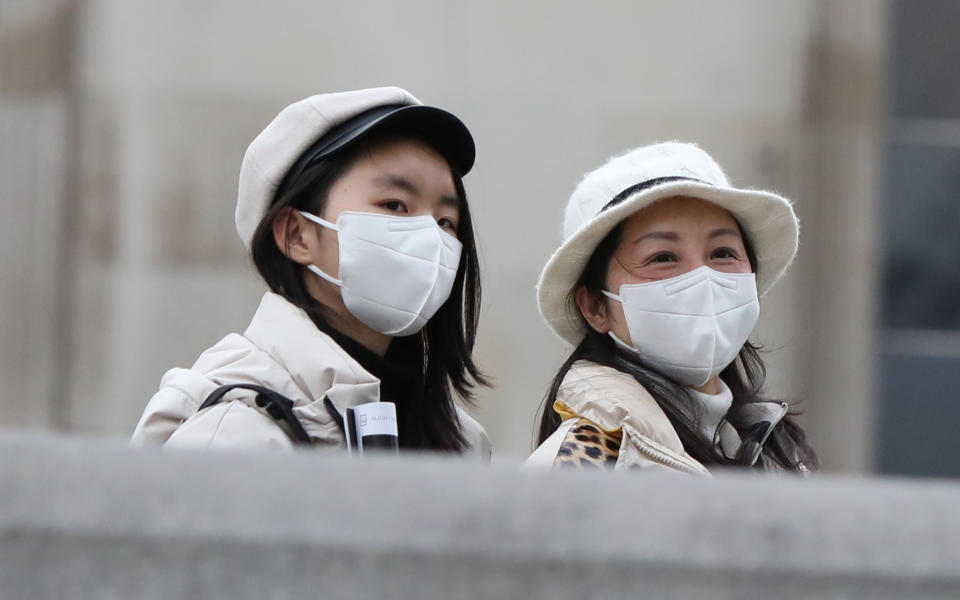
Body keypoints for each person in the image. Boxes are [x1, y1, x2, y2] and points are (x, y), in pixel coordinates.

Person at [131, 87, 490, 458]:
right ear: (296, 234)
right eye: (395, 205)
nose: (429, 237)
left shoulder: (462, 443)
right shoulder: (233, 435)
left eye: (446, 221)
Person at [527, 141, 817, 473]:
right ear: (595, 306)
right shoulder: (575, 470)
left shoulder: (776, 457)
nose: (701, 277)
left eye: (722, 253)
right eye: (663, 258)